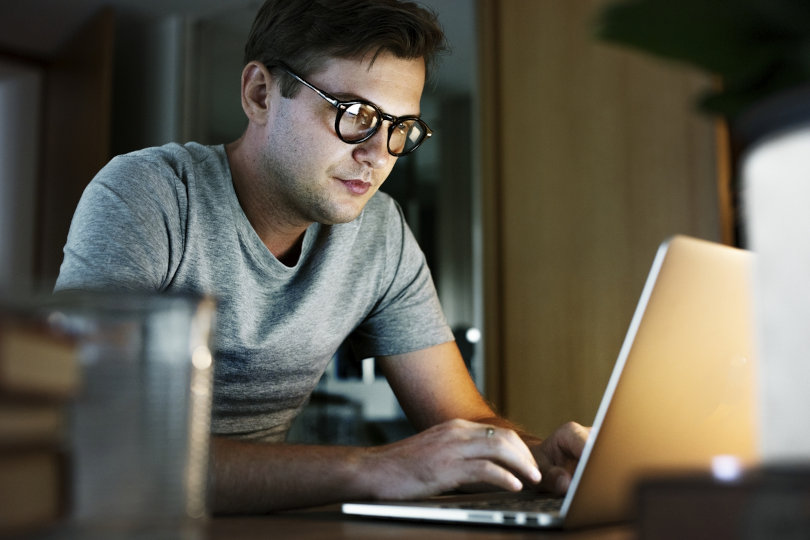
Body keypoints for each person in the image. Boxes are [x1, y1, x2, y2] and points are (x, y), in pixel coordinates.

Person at [55, 0, 590, 513]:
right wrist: (376, 468)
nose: (378, 154)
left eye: (400, 128)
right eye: (355, 114)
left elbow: (463, 418)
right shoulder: (148, 195)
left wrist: (535, 459)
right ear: (261, 94)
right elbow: (100, 447)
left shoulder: (380, 232)